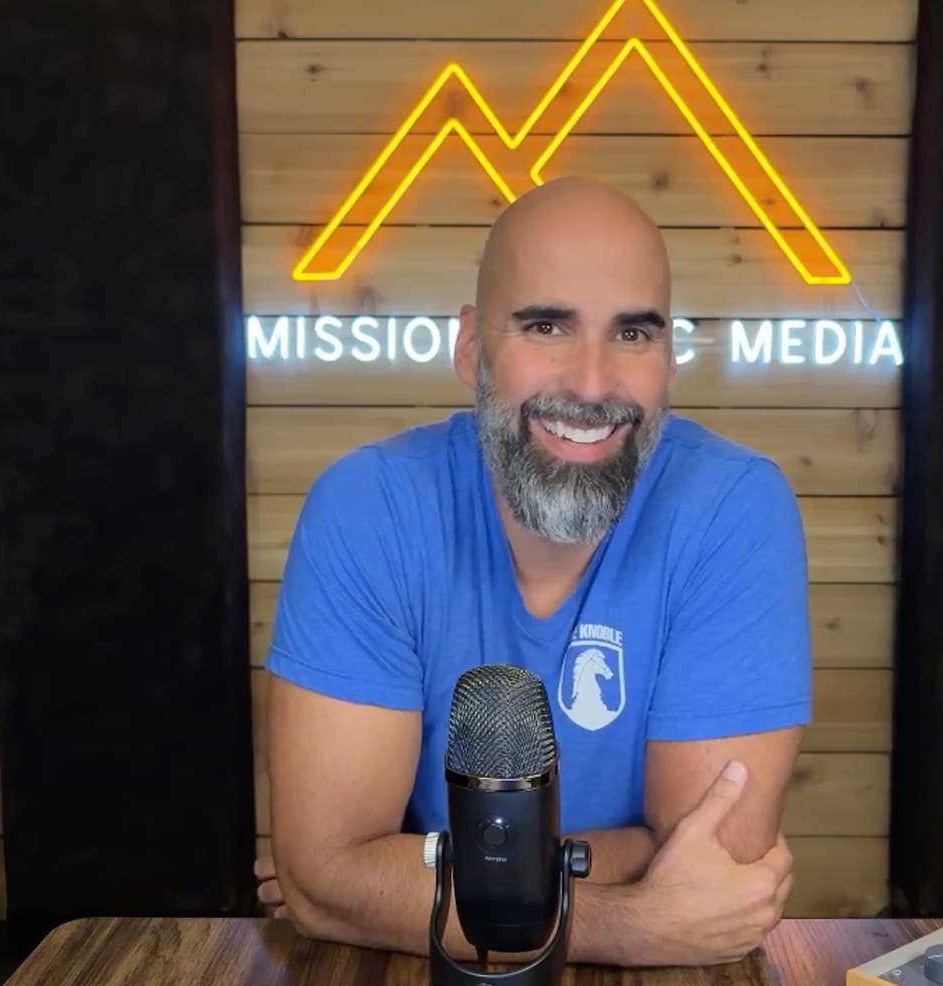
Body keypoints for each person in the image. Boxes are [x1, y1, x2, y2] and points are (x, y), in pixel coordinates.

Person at [252, 175, 813, 968]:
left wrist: (408, 876)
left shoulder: (732, 507)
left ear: (669, 357)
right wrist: (628, 921)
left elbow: (716, 864)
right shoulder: (367, 506)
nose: (590, 384)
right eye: (547, 326)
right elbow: (326, 880)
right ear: (469, 345)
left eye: (632, 333)